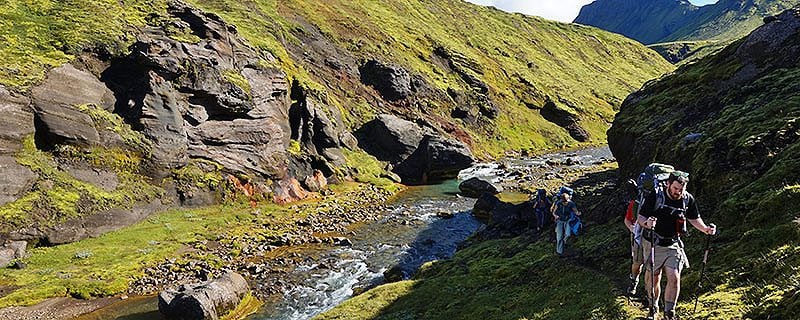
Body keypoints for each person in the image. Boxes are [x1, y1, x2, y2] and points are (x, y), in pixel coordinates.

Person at [638, 171, 717, 320]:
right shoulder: (656, 196)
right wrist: (647, 224)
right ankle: (653, 307)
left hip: (673, 243)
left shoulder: (687, 199)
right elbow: (641, 217)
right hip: (653, 242)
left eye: (681, 189)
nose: (678, 192)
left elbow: (694, 218)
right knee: (654, 277)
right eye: (675, 188)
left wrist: (705, 229)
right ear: (668, 184)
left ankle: (669, 312)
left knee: (674, 277)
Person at [624, 197, 644, 296]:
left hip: (655, 237)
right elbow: (627, 220)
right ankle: (634, 280)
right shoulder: (635, 203)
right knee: (637, 262)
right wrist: (632, 228)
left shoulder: (661, 201)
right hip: (638, 236)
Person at [552, 192, 580, 256]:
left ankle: (565, 243)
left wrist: (578, 213)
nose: (565, 203)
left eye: (566, 202)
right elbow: (554, 212)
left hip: (568, 220)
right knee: (559, 237)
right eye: (564, 202)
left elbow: (575, 211)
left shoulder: (571, 203)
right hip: (560, 220)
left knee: (568, 234)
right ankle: (559, 252)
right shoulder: (558, 203)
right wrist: (555, 216)